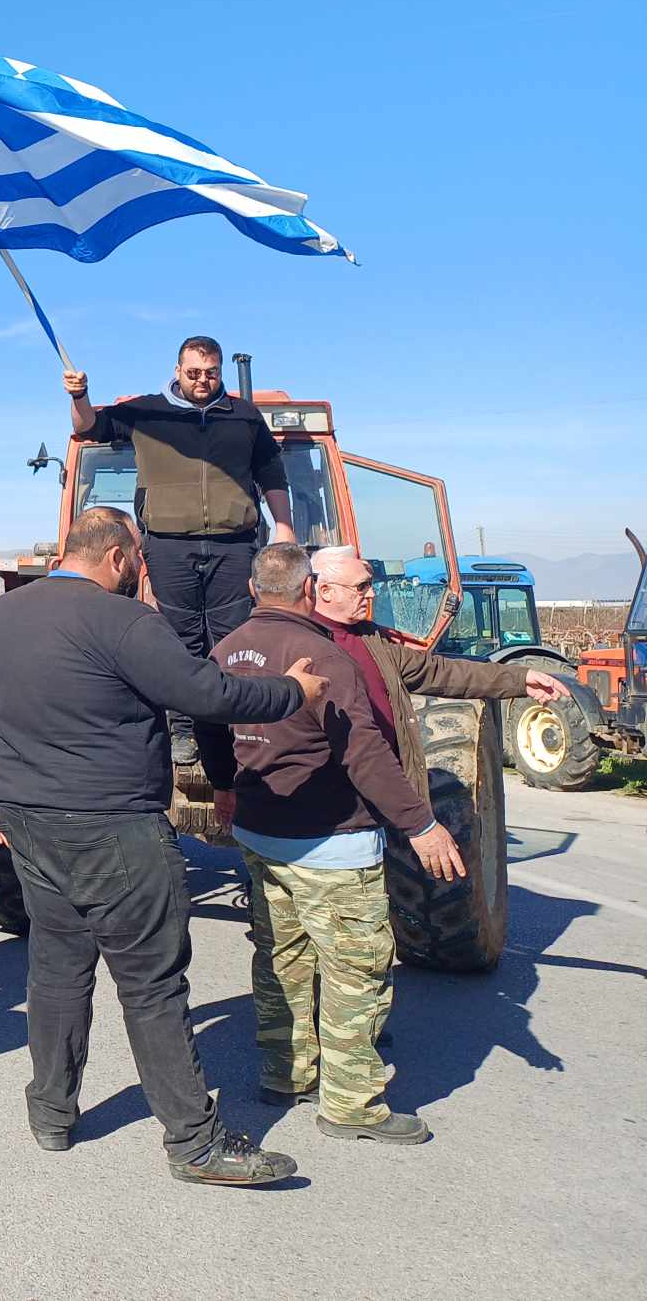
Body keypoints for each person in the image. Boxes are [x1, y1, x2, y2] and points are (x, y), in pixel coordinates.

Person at [0, 506, 326, 1185]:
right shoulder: (124, 621)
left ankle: (51, 1112)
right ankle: (195, 1143)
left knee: (57, 971)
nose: (143, 572)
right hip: (116, 826)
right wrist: (292, 692)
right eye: (138, 558)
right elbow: (206, 693)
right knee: (152, 985)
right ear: (115, 558)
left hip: (33, 824)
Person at [197, 545, 463, 1145]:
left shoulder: (226, 650)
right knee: (354, 973)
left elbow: (209, 725)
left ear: (251, 586)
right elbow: (363, 754)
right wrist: (421, 825)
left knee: (281, 959)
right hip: (331, 843)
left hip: (261, 834)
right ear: (309, 589)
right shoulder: (321, 656)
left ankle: (286, 1073)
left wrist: (222, 784)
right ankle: (352, 1106)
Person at [66, 335, 295, 764]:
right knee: (179, 638)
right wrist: (80, 395)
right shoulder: (145, 411)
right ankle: (183, 728)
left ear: (221, 371)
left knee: (234, 636)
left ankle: (237, 729)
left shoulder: (244, 417)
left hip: (235, 544)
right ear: (177, 370)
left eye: (210, 374)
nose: (202, 381)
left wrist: (283, 526)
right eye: (193, 373)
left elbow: (270, 471)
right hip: (169, 546)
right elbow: (87, 426)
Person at [308, 545, 569, 773]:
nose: (372, 594)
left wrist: (520, 679)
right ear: (326, 591)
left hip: (378, 791)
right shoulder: (300, 641)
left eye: (371, 585)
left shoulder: (374, 642)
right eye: (361, 586)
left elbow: (440, 671)